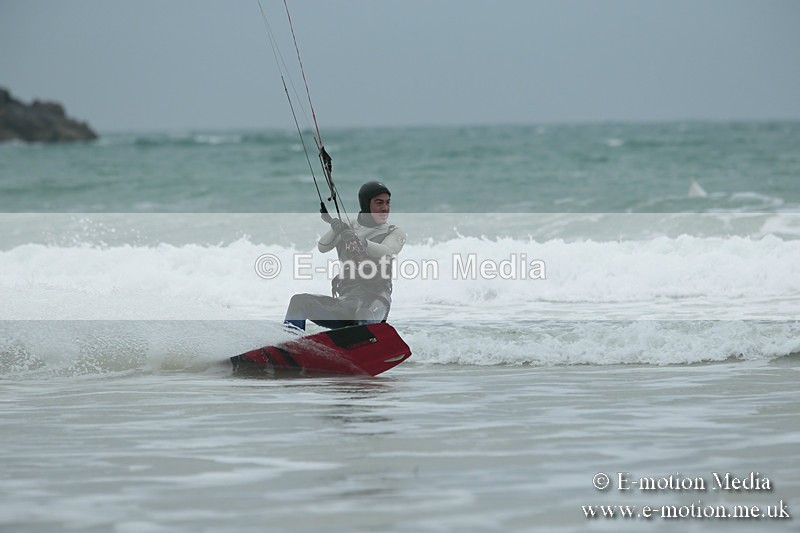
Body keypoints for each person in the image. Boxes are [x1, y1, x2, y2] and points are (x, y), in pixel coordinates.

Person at [283, 181, 406, 331]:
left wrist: (361, 242)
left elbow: (388, 251)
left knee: (363, 314)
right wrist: (337, 228)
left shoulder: (394, 232)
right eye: (379, 203)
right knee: (299, 301)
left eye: (387, 203)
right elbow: (323, 247)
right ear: (366, 205)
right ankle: (290, 347)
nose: (385, 208)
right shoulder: (349, 226)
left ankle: (362, 348)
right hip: (346, 302)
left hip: (375, 301)